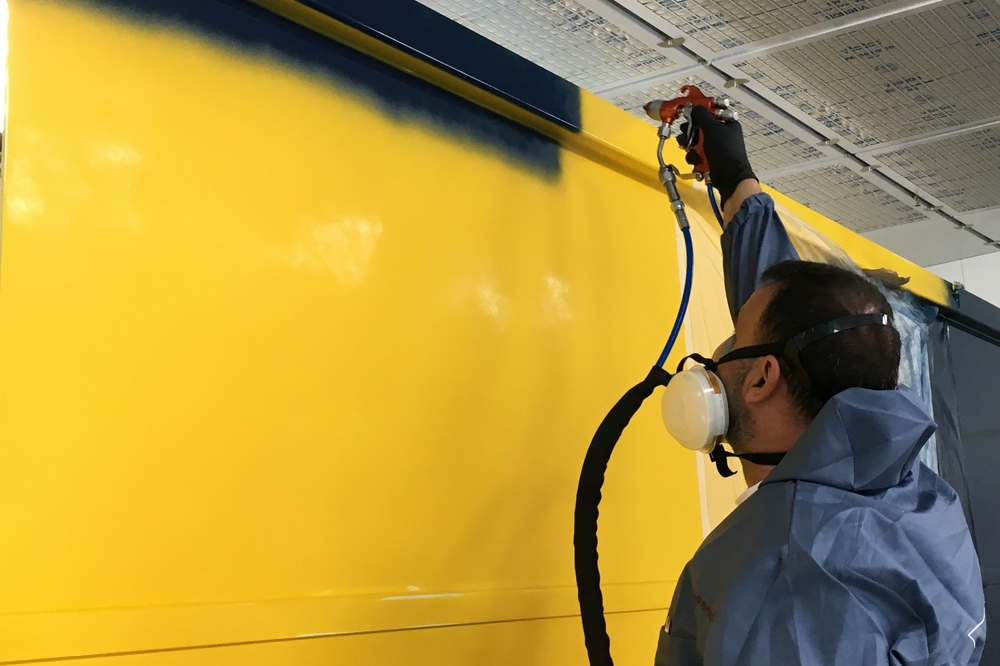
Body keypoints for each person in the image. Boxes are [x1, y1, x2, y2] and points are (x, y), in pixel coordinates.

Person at [654, 106, 986, 665]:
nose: (720, 356)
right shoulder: (919, 499)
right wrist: (737, 181)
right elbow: (797, 326)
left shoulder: (783, 575)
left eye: (736, 339)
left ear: (763, 376)